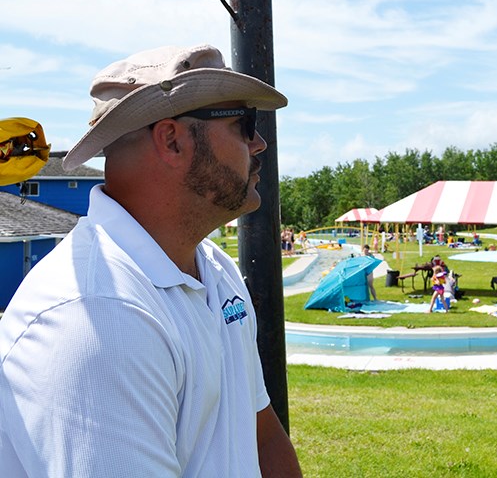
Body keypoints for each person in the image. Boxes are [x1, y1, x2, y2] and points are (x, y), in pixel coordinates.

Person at [0, 45, 302, 476]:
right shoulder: (94, 316)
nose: (259, 143)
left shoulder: (215, 268)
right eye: (244, 123)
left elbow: (261, 434)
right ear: (172, 139)